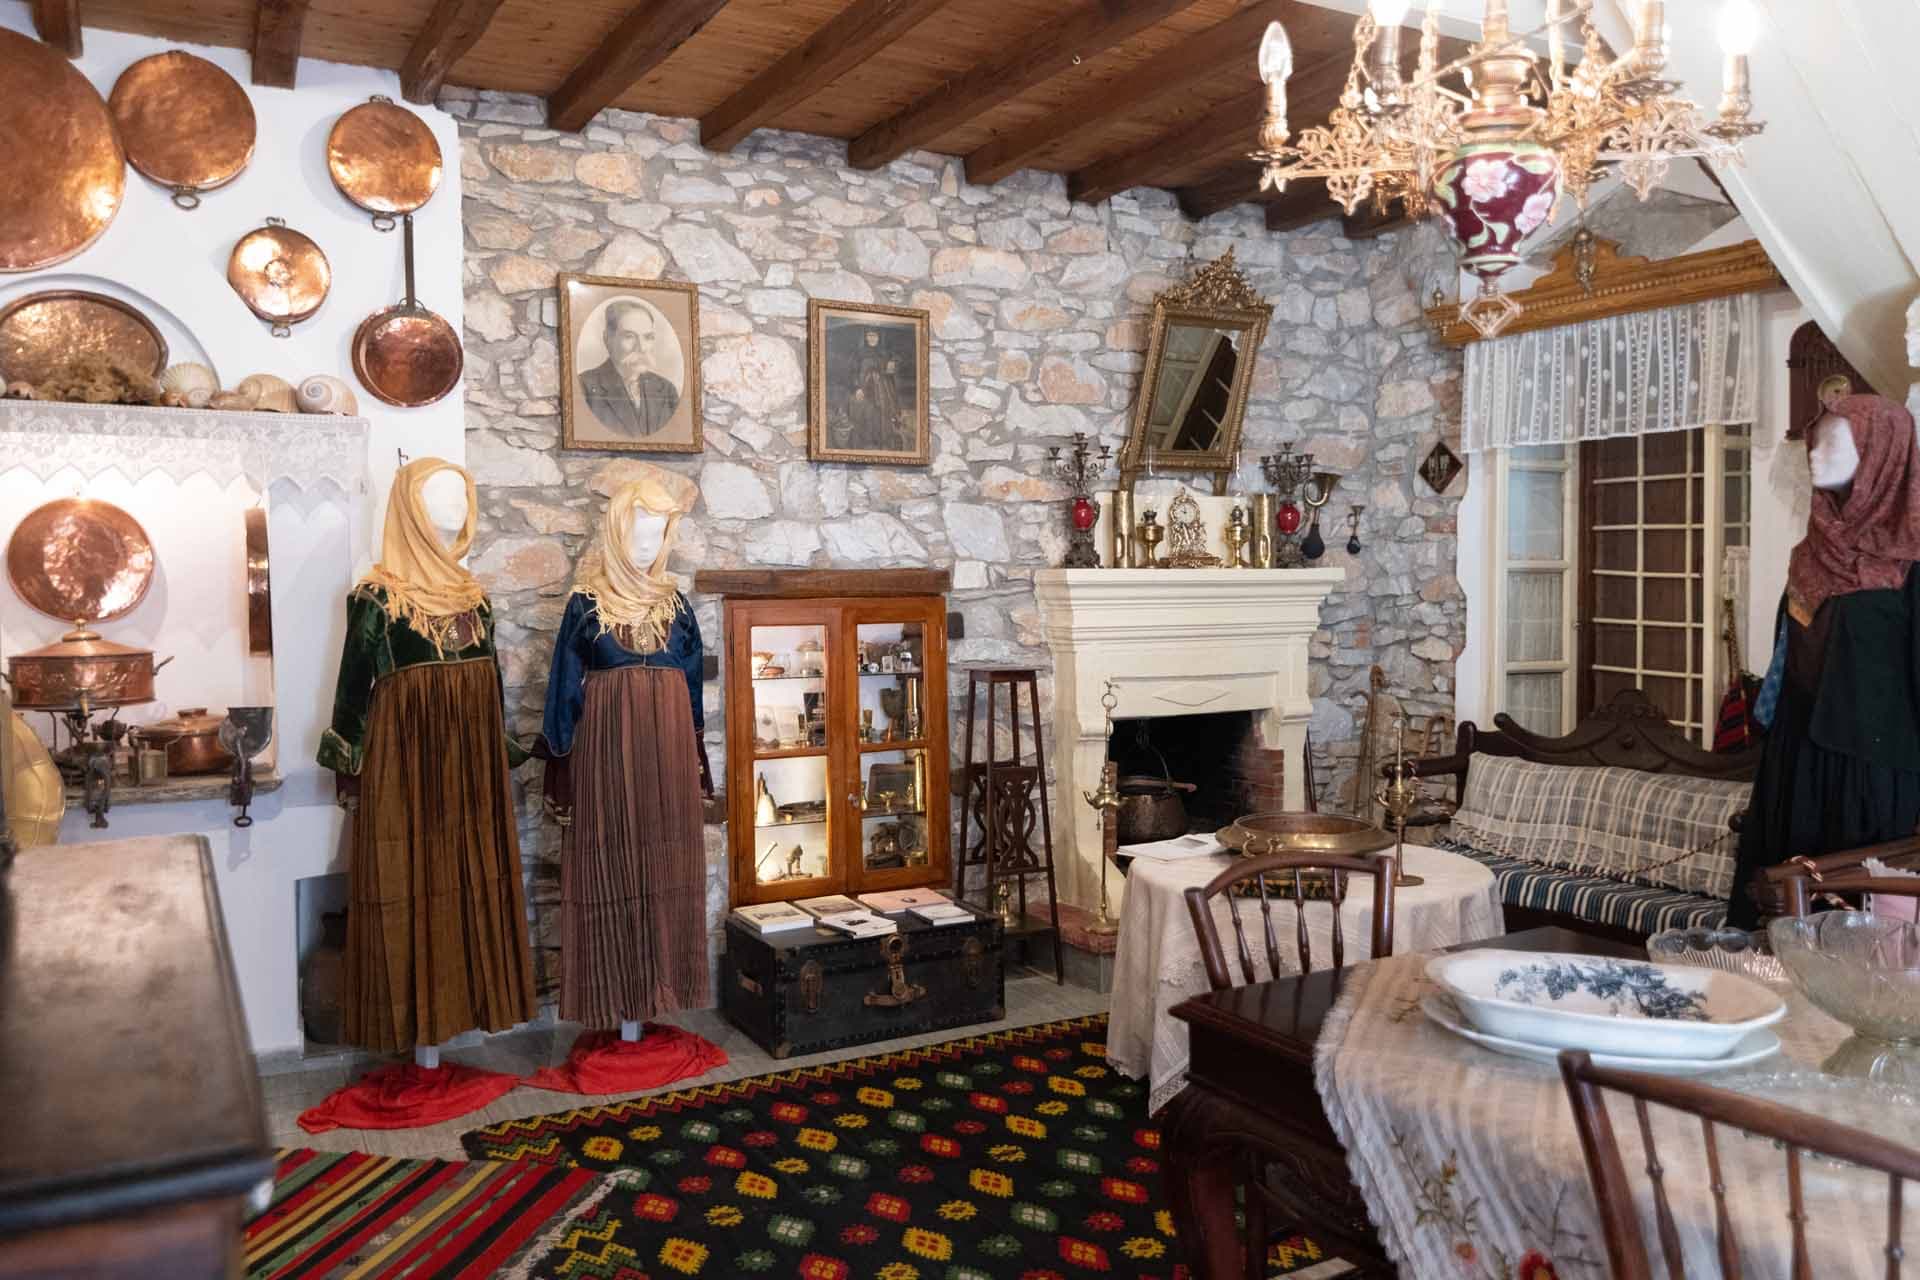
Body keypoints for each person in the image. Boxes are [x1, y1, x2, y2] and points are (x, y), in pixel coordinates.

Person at [1726, 394, 1920, 926]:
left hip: (1874, 772)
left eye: (1835, 442)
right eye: (1816, 441)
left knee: (1857, 929)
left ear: (1882, 453)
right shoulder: (1811, 554)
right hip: (1796, 762)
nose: (1815, 454)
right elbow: (1787, 658)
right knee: (1780, 916)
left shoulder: (1909, 564)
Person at [578, 299, 680, 437]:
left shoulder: (666, 390)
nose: (642, 348)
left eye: (648, 337)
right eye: (629, 336)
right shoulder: (584, 387)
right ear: (607, 339)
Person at [840, 327, 905, 451]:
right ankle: (866, 442)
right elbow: (852, 371)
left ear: (878, 337)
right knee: (865, 412)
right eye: (869, 335)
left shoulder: (884, 352)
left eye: (874, 336)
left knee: (882, 413)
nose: (872, 338)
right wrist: (857, 388)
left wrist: (893, 363)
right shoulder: (859, 353)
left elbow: (896, 362)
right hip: (864, 388)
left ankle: (882, 441)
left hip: (882, 389)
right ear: (866, 337)